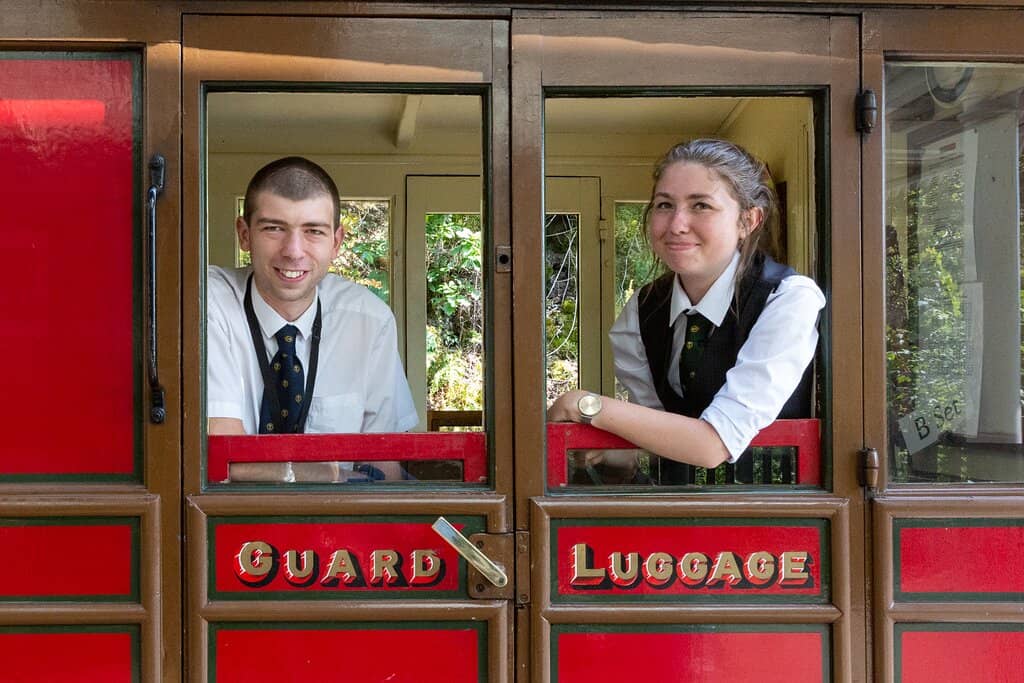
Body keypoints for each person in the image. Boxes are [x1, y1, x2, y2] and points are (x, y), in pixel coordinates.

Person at [548, 138, 825, 483]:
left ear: (748, 220)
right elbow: (659, 436)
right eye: (665, 205)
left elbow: (714, 443)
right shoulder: (643, 310)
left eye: (701, 206)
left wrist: (586, 405)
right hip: (678, 518)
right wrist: (620, 454)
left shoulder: (787, 298)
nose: (677, 224)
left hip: (778, 522)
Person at [207, 157, 418, 480]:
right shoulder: (209, 301)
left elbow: (383, 466)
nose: (293, 250)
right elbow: (220, 453)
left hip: (336, 523)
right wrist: (326, 474)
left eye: (313, 231)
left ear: (336, 242)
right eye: (274, 228)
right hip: (230, 524)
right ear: (244, 234)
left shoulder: (368, 320)